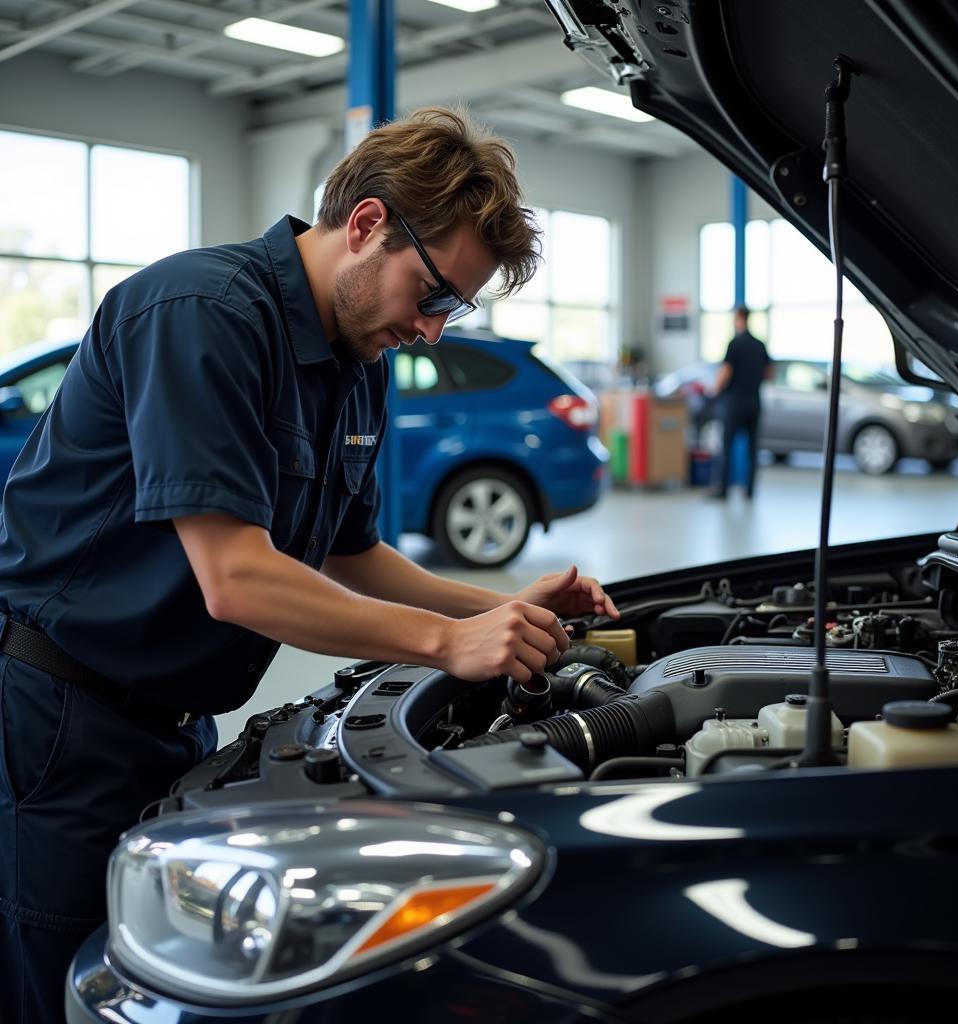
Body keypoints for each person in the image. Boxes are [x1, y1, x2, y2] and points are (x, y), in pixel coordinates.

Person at [0, 107, 619, 1022]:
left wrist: (496, 612)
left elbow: (353, 554)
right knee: (63, 988)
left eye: (457, 307)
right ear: (367, 224)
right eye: (434, 292)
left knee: (149, 980)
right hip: (62, 720)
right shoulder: (204, 314)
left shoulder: (357, 352)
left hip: (171, 722)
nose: (435, 329)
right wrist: (449, 646)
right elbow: (237, 578)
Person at [710, 304, 772, 498]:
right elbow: (769, 372)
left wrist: (715, 390)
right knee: (752, 447)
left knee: (726, 444)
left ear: (738, 318)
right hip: (754, 401)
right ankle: (750, 490)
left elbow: (725, 372)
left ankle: (723, 489)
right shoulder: (759, 344)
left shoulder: (735, 344)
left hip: (735, 402)